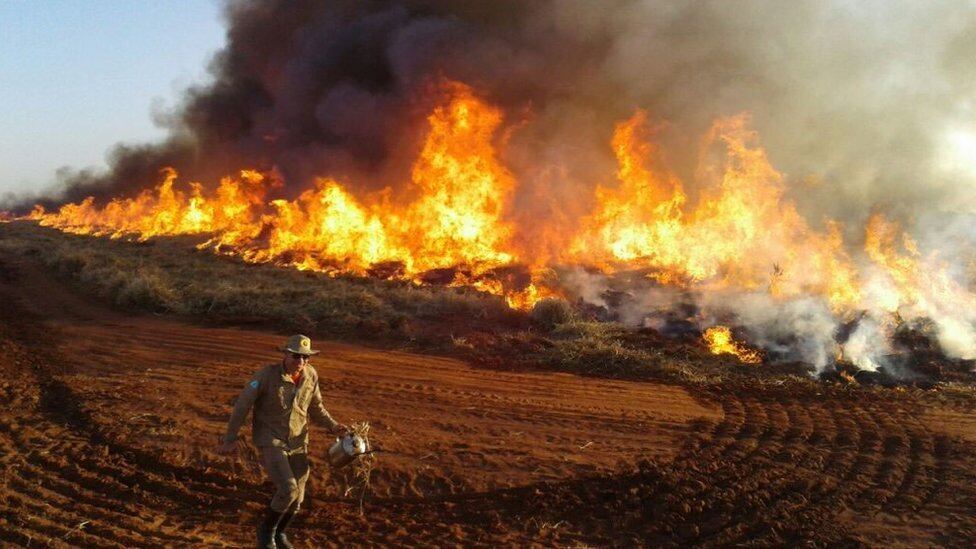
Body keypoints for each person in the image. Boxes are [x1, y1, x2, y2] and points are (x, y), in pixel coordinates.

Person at [218, 334, 348, 549]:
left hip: (298, 441)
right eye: (296, 356)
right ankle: (265, 533)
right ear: (286, 354)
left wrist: (334, 426)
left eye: (306, 357)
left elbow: (316, 408)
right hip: (271, 439)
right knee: (288, 488)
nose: (301, 362)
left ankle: (280, 533)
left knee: (298, 496)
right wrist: (229, 439)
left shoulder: (310, 375)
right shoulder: (266, 376)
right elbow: (242, 406)